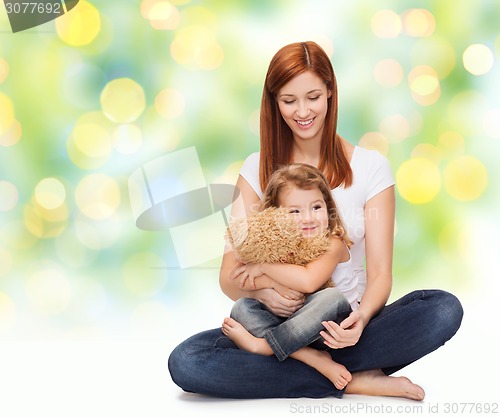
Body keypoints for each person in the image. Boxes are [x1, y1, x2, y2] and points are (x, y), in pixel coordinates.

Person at [168, 41, 463, 400]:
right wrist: (263, 293)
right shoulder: (256, 169)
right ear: (274, 103)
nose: (302, 111)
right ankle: (350, 378)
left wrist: (362, 320)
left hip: (345, 326)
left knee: (442, 308)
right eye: (289, 101)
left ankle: (312, 365)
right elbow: (229, 277)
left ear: (329, 94)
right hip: (277, 324)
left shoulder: (371, 168)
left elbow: (381, 273)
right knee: (187, 361)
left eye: (312, 97)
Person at [223, 163, 357, 390]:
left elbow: (308, 282)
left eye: (316, 207)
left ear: (328, 207)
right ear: (274, 215)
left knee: (331, 297)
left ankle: (265, 347)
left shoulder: (333, 243)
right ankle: (307, 357)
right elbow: (239, 279)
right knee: (241, 308)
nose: (308, 218)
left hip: (331, 330)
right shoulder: (278, 246)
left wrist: (264, 267)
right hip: (294, 332)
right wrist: (271, 282)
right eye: (295, 211)